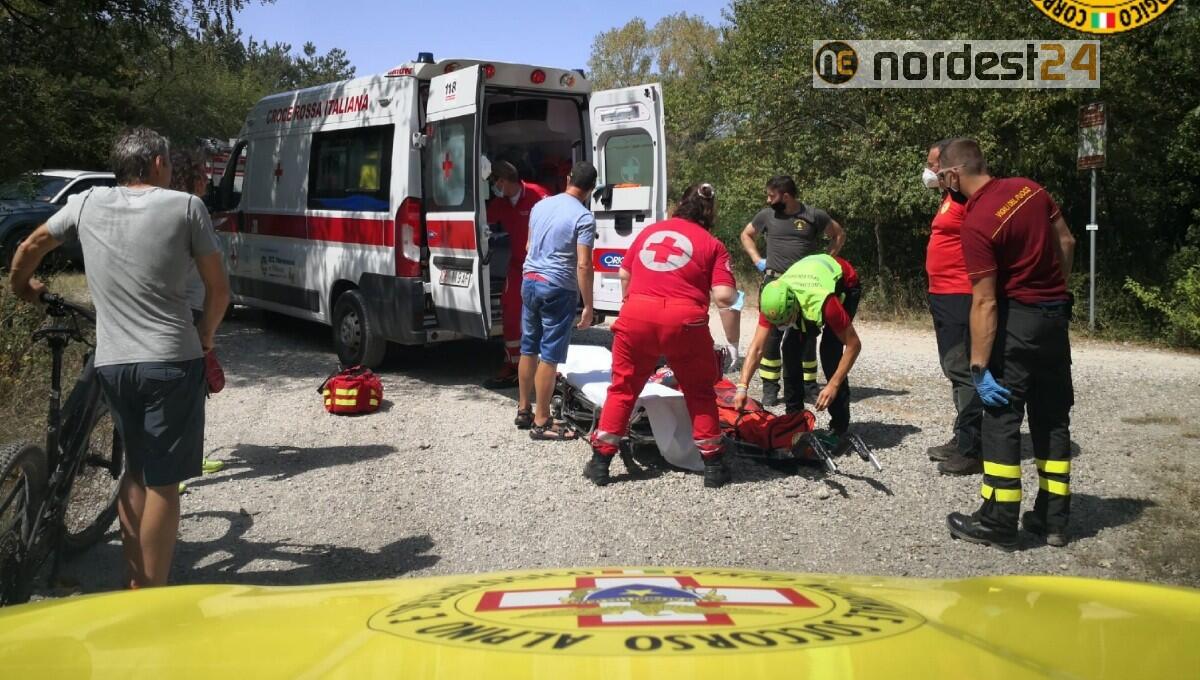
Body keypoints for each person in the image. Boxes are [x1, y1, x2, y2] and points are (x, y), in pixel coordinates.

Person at [9, 127, 230, 588]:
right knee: (164, 482)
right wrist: (205, 336)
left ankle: (134, 581)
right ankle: (152, 594)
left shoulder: (86, 203)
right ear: (155, 164)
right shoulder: (187, 207)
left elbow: (29, 247)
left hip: (112, 363)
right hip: (171, 359)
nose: (170, 169)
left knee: (135, 468)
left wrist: (22, 288)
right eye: (168, 162)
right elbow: (219, 289)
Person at [939, 138, 1076, 550]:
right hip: (1054, 318)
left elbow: (983, 301)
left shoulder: (977, 222)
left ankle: (998, 520)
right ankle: (1053, 520)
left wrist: (979, 368)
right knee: (1052, 416)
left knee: (1001, 418)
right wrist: (1053, 292)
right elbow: (1066, 242)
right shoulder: (1029, 188)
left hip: (1016, 320)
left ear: (952, 175)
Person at [583, 183, 739, 488]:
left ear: (680, 205)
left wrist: (632, 307)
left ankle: (601, 463)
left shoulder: (649, 233)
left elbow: (624, 274)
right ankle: (713, 467)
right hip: (685, 323)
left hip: (636, 316)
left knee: (623, 389)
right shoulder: (713, 244)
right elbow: (723, 297)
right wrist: (732, 344)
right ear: (710, 211)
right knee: (699, 392)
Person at [740, 175, 846, 408]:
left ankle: (808, 387)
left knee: (806, 338)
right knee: (770, 338)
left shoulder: (813, 215)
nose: (768, 200)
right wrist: (757, 260)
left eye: (771, 195)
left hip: (805, 287)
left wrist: (826, 262)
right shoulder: (766, 216)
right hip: (775, 284)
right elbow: (746, 235)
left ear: (785, 196)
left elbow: (838, 235)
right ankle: (770, 388)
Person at [735, 254, 862, 438]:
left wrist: (832, 385)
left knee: (830, 352)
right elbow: (757, 348)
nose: (781, 327)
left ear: (794, 307)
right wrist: (742, 387)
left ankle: (839, 426)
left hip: (845, 283)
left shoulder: (823, 302)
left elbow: (854, 345)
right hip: (805, 284)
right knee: (789, 348)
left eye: (785, 321)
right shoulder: (772, 300)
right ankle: (795, 420)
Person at [517, 161, 597, 440]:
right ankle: (542, 421)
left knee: (528, 348)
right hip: (557, 287)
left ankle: (524, 409)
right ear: (591, 189)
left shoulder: (541, 205)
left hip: (529, 281)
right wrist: (588, 305)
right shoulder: (584, 217)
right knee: (549, 356)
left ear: (568, 179)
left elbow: (528, 246)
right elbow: (584, 265)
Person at [922, 139, 984, 475]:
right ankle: (963, 437)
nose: (930, 171)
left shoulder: (968, 197)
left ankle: (972, 447)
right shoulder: (949, 198)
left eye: (935, 165)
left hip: (961, 295)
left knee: (963, 369)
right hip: (944, 295)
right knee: (954, 368)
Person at [171, 146, 226, 482]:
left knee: (192, 390)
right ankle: (175, 470)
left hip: (189, 306)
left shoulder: (178, 208)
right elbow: (214, 278)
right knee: (186, 392)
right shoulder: (191, 208)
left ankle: (188, 455)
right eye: (202, 174)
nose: (208, 179)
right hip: (190, 309)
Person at [483, 161, 549, 388]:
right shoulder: (500, 203)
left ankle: (543, 367)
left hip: (540, 266)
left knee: (540, 316)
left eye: (495, 182)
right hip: (517, 266)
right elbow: (485, 224)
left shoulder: (538, 195)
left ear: (504, 181)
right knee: (510, 313)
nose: (494, 187)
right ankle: (512, 363)